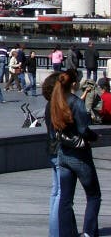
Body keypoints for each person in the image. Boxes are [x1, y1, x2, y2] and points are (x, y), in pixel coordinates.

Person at [49, 69, 101, 237]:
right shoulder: (76, 102)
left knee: (66, 198)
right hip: (79, 156)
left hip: (63, 153)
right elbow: (84, 130)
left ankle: (65, 234)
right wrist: (95, 137)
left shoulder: (54, 101)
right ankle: (88, 233)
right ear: (73, 84)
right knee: (93, 195)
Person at [41, 72, 66, 237]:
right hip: (59, 151)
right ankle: (56, 232)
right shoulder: (56, 105)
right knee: (61, 193)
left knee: (55, 191)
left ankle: (54, 230)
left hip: (51, 149)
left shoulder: (48, 105)